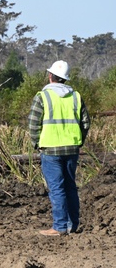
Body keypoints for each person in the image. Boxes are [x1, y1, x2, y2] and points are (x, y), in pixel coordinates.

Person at [28, 60, 90, 236]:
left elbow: (33, 124)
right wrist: (78, 141)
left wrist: (37, 143)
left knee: (56, 188)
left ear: (50, 76)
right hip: (72, 149)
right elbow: (85, 123)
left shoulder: (42, 96)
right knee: (70, 186)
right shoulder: (76, 96)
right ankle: (73, 225)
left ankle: (60, 226)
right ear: (65, 79)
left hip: (50, 149)